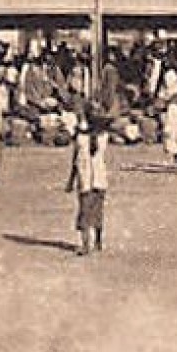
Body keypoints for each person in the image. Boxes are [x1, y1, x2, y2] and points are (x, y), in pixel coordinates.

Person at [64, 109, 110, 255]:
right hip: (98, 178)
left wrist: (71, 180)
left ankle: (87, 244)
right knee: (97, 211)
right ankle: (97, 241)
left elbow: (75, 161)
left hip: (87, 178)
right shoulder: (102, 137)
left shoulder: (81, 139)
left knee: (85, 211)